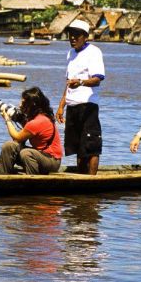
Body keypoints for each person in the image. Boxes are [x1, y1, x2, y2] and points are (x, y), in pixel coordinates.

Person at [56, 18, 105, 175]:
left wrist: (82, 82)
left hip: (88, 106)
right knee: (77, 147)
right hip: (72, 106)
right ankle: (81, 180)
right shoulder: (70, 53)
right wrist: (61, 105)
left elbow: (97, 80)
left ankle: (91, 183)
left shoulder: (94, 52)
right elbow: (69, 82)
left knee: (91, 147)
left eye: (77, 35)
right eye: (71, 34)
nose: (73, 38)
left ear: (85, 36)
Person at [0, 87, 63, 175]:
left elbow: (16, 137)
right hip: (39, 156)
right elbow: (17, 141)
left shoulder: (38, 121)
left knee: (26, 153)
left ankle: (31, 182)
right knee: (9, 146)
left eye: (23, 103)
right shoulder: (33, 119)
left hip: (52, 161)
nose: (20, 105)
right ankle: (2, 176)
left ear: (32, 104)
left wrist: (7, 120)